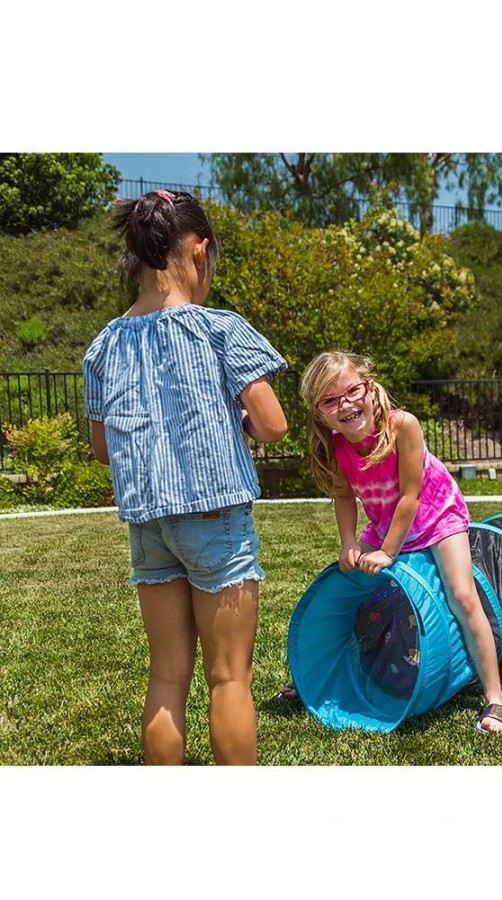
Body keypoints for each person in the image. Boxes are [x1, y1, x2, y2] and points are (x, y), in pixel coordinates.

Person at [82, 190, 288, 765]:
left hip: (149, 527)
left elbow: (102, 448)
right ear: (198, 251)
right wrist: (236, 421)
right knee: (229, 678)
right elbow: (272, 424)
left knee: (167, 676)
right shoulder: (218, 328)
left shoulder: (104, 345)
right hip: (215, 519)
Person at [280, 350, 502, 733]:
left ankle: (495, 697)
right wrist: (349, 543)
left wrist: (388, 551)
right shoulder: (335, 445)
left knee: (462, 595)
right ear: (320, 412)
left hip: (436, 514)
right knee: (351, 584)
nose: (347, 404)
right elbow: (342, 496)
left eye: (353, 391)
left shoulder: (402, 425)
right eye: (331, 400)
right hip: (386, 520)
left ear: (369, 388)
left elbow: (411, 495)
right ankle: (322, 681)